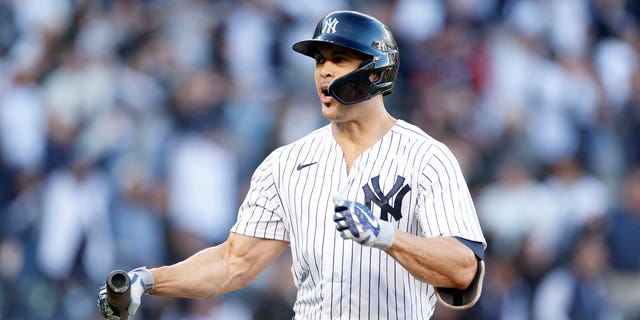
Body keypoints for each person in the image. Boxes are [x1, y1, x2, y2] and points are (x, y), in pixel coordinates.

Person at [97, 10, 486, 319]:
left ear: (376, 71)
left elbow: (463, 269)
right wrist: (147, 280)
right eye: (319, 60)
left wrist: (387, 237)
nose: (325, 71)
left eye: (340, 58)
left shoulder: (427, 158)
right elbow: (233, 263)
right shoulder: (286, 163)